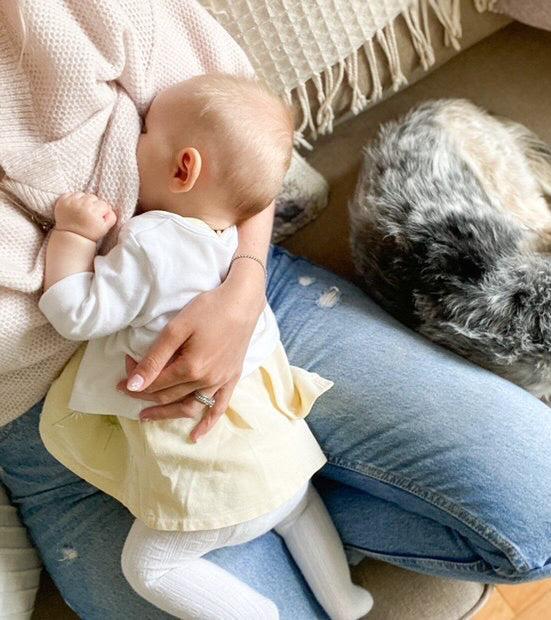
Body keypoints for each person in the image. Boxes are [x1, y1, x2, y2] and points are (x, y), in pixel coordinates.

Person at [0, 0, 551, 617]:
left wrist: (241, 289)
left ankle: (270, 485)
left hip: (246, 307)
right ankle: (280, 490)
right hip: (57, 426)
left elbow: (246, 142)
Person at [35, 73, 374, 619]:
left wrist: (72, 236)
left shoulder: (152, 242)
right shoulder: (228, 244)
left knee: (149, 569)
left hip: (211, 481)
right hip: (278, 457)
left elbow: (76, 314)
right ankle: (346, 599)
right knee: (299, 510)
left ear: (183, 167)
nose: (136, 138)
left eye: (144, 132)